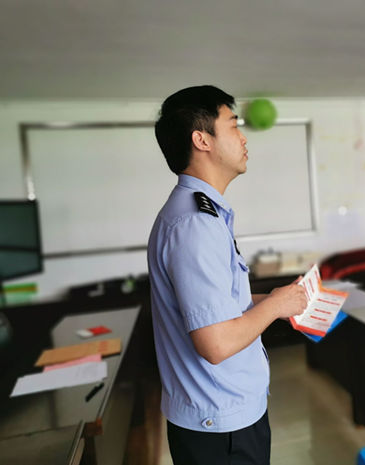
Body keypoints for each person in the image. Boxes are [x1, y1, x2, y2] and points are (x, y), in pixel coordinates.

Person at [147, 85, 307, 465]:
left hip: (223, 415)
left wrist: (276, 301)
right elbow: (215, 344)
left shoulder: (203, 213)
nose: (243, 137)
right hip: (219, 425)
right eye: (233, 125)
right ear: (202, 140)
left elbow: (219, 305)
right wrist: (275, 306)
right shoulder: (194, 225)